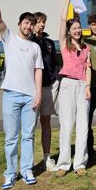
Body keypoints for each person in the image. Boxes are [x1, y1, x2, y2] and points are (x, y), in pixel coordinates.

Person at [0, 0, 43, 189]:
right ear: (20, 24)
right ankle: (10, 173)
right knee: (11, 137)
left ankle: (27, 169)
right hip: (11, 95)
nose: (29, 26)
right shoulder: (9, 38)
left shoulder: (35, 47)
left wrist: (39, 93)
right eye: (26, 22)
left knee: (28, 135)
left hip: (31, 96)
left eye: (32, 24)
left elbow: (38, 71)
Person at [55, 0, 91, 178]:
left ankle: (80, 163)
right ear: (69, 32)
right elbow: (62, 20)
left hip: (82, 85)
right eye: (74, 28)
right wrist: (68, 0)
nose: (77, 30)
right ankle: (63, 163)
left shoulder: (86, 48)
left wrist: (88, 86)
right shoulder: (64, 45)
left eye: (78, 27)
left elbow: (89, 68)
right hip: (68, 84)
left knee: (83, 125)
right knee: (67, 125)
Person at [29, 12, 59, 171]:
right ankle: (29, 163)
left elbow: (54, 63)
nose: (42, 25)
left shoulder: (49, 42)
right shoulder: (28, 41)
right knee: (30, 125)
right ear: (33, 24)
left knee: (46, 122)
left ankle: (47, 158)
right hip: (32, 90)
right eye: (39, 22)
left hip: (47, 88)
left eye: (44, 22)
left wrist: (54, 77)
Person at [84, 13, 96, 160]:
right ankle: (89, 151)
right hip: (91, 87)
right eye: (93, 24)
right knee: (87, 121)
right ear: (89, 26)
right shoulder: (85, 42)